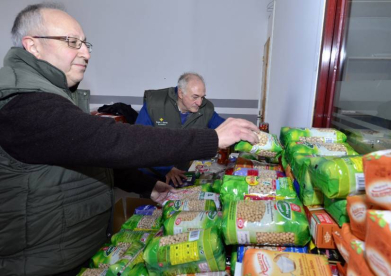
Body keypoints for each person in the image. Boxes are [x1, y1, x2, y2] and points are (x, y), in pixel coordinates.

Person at [0, 3, 259, 275]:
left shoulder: (57, 94)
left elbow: (91, 160)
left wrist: (149, 187)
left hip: (76, 250)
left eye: (85, 44)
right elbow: (109, 142)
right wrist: (211, 139)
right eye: (71, 42)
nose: (86, 53)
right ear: (33, 46)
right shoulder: (23, 102)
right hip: (41, 263)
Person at [136, 72, 226, 185]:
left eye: (202, 97)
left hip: (181, 174)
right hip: (151, 175)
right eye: (195, 97)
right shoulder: (154, 104)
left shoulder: (205, 108)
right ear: (180, 93)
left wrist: (242, 131)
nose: (200, 102)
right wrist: (166, 169)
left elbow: (222, 126)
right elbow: (139, 143)